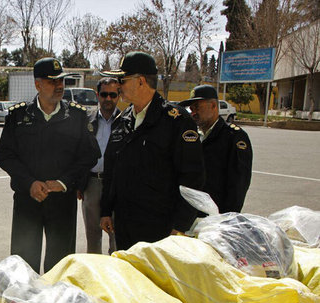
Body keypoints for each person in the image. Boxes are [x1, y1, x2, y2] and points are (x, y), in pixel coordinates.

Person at [0, 57, 100, 273]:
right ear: (38, 84)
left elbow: (90, 155)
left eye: (61, 80)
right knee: (24, 267)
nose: (59, 86)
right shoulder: (18, 116)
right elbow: (5, 155)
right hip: (27, 201)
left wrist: (63, 182)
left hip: (62, 203)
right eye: (52, 81)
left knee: (60, 267)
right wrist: (29, 183)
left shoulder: (77, 116)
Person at [99, 51, 205, 251]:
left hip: (160, 228)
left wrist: (181, 226)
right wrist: (106, 210)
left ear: (140, 81)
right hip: (125, 223)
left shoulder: (176, 121)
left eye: (122, 79)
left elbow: (192, 178)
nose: (118, 85)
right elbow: (112, 170)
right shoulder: (122, 121)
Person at [179, 85, 252, 214]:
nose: (193, 112)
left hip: (216, 216)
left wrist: (225, 220)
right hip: (192, 214)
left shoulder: (233, 137)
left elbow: (238, 186)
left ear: (213, 106)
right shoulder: (192, 135)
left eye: (197, 107)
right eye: (191, 108)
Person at [79, 77, 121, 254]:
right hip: (92, 183)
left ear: (119, 95)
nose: (108, 99)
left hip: (117, 186)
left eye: (113, 94)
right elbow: (78, 154)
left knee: (117, 237)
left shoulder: (126, 121)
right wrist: (79, 184)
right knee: (93, 236)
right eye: (104, 94)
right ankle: (95, 276)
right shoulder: (87, 121)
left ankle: (115, 276)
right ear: (98, 95)